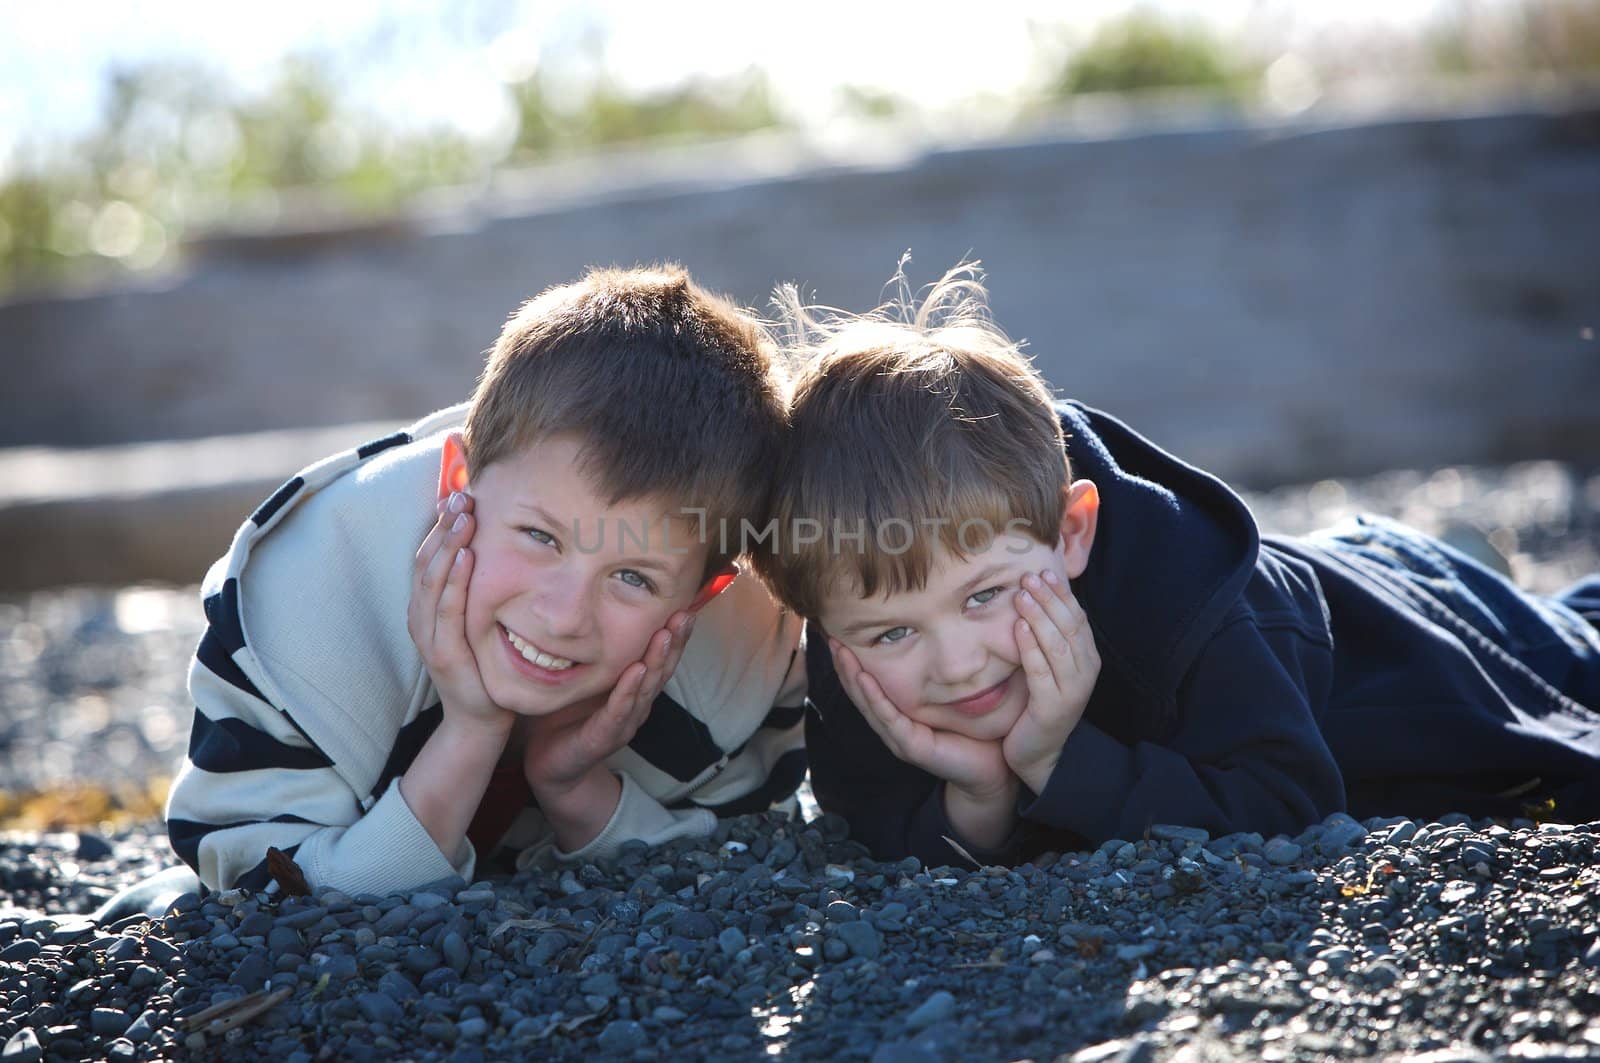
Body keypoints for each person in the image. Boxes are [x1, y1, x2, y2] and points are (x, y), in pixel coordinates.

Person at [751, 263, 1600, 867]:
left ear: (1072, 531)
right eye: (895, 630)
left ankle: (1476, 568)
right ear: (823, 624)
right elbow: (878, 826)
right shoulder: (852, 618)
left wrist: (1054, 760)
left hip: (1400, 627)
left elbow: (1291, 806)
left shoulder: (1187, 601)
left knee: (1574, 647)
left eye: (986, 596)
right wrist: (980, 794)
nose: (957, 662)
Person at [162, 264, 807, 898]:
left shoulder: (737, 670)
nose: (562, 616)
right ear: (457, 483)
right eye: (540, 537)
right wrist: (470, 732)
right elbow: (263, 891)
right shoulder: (312, 603)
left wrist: (574, 789)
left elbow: (743, 870)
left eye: (633, 577)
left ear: (702, 592)